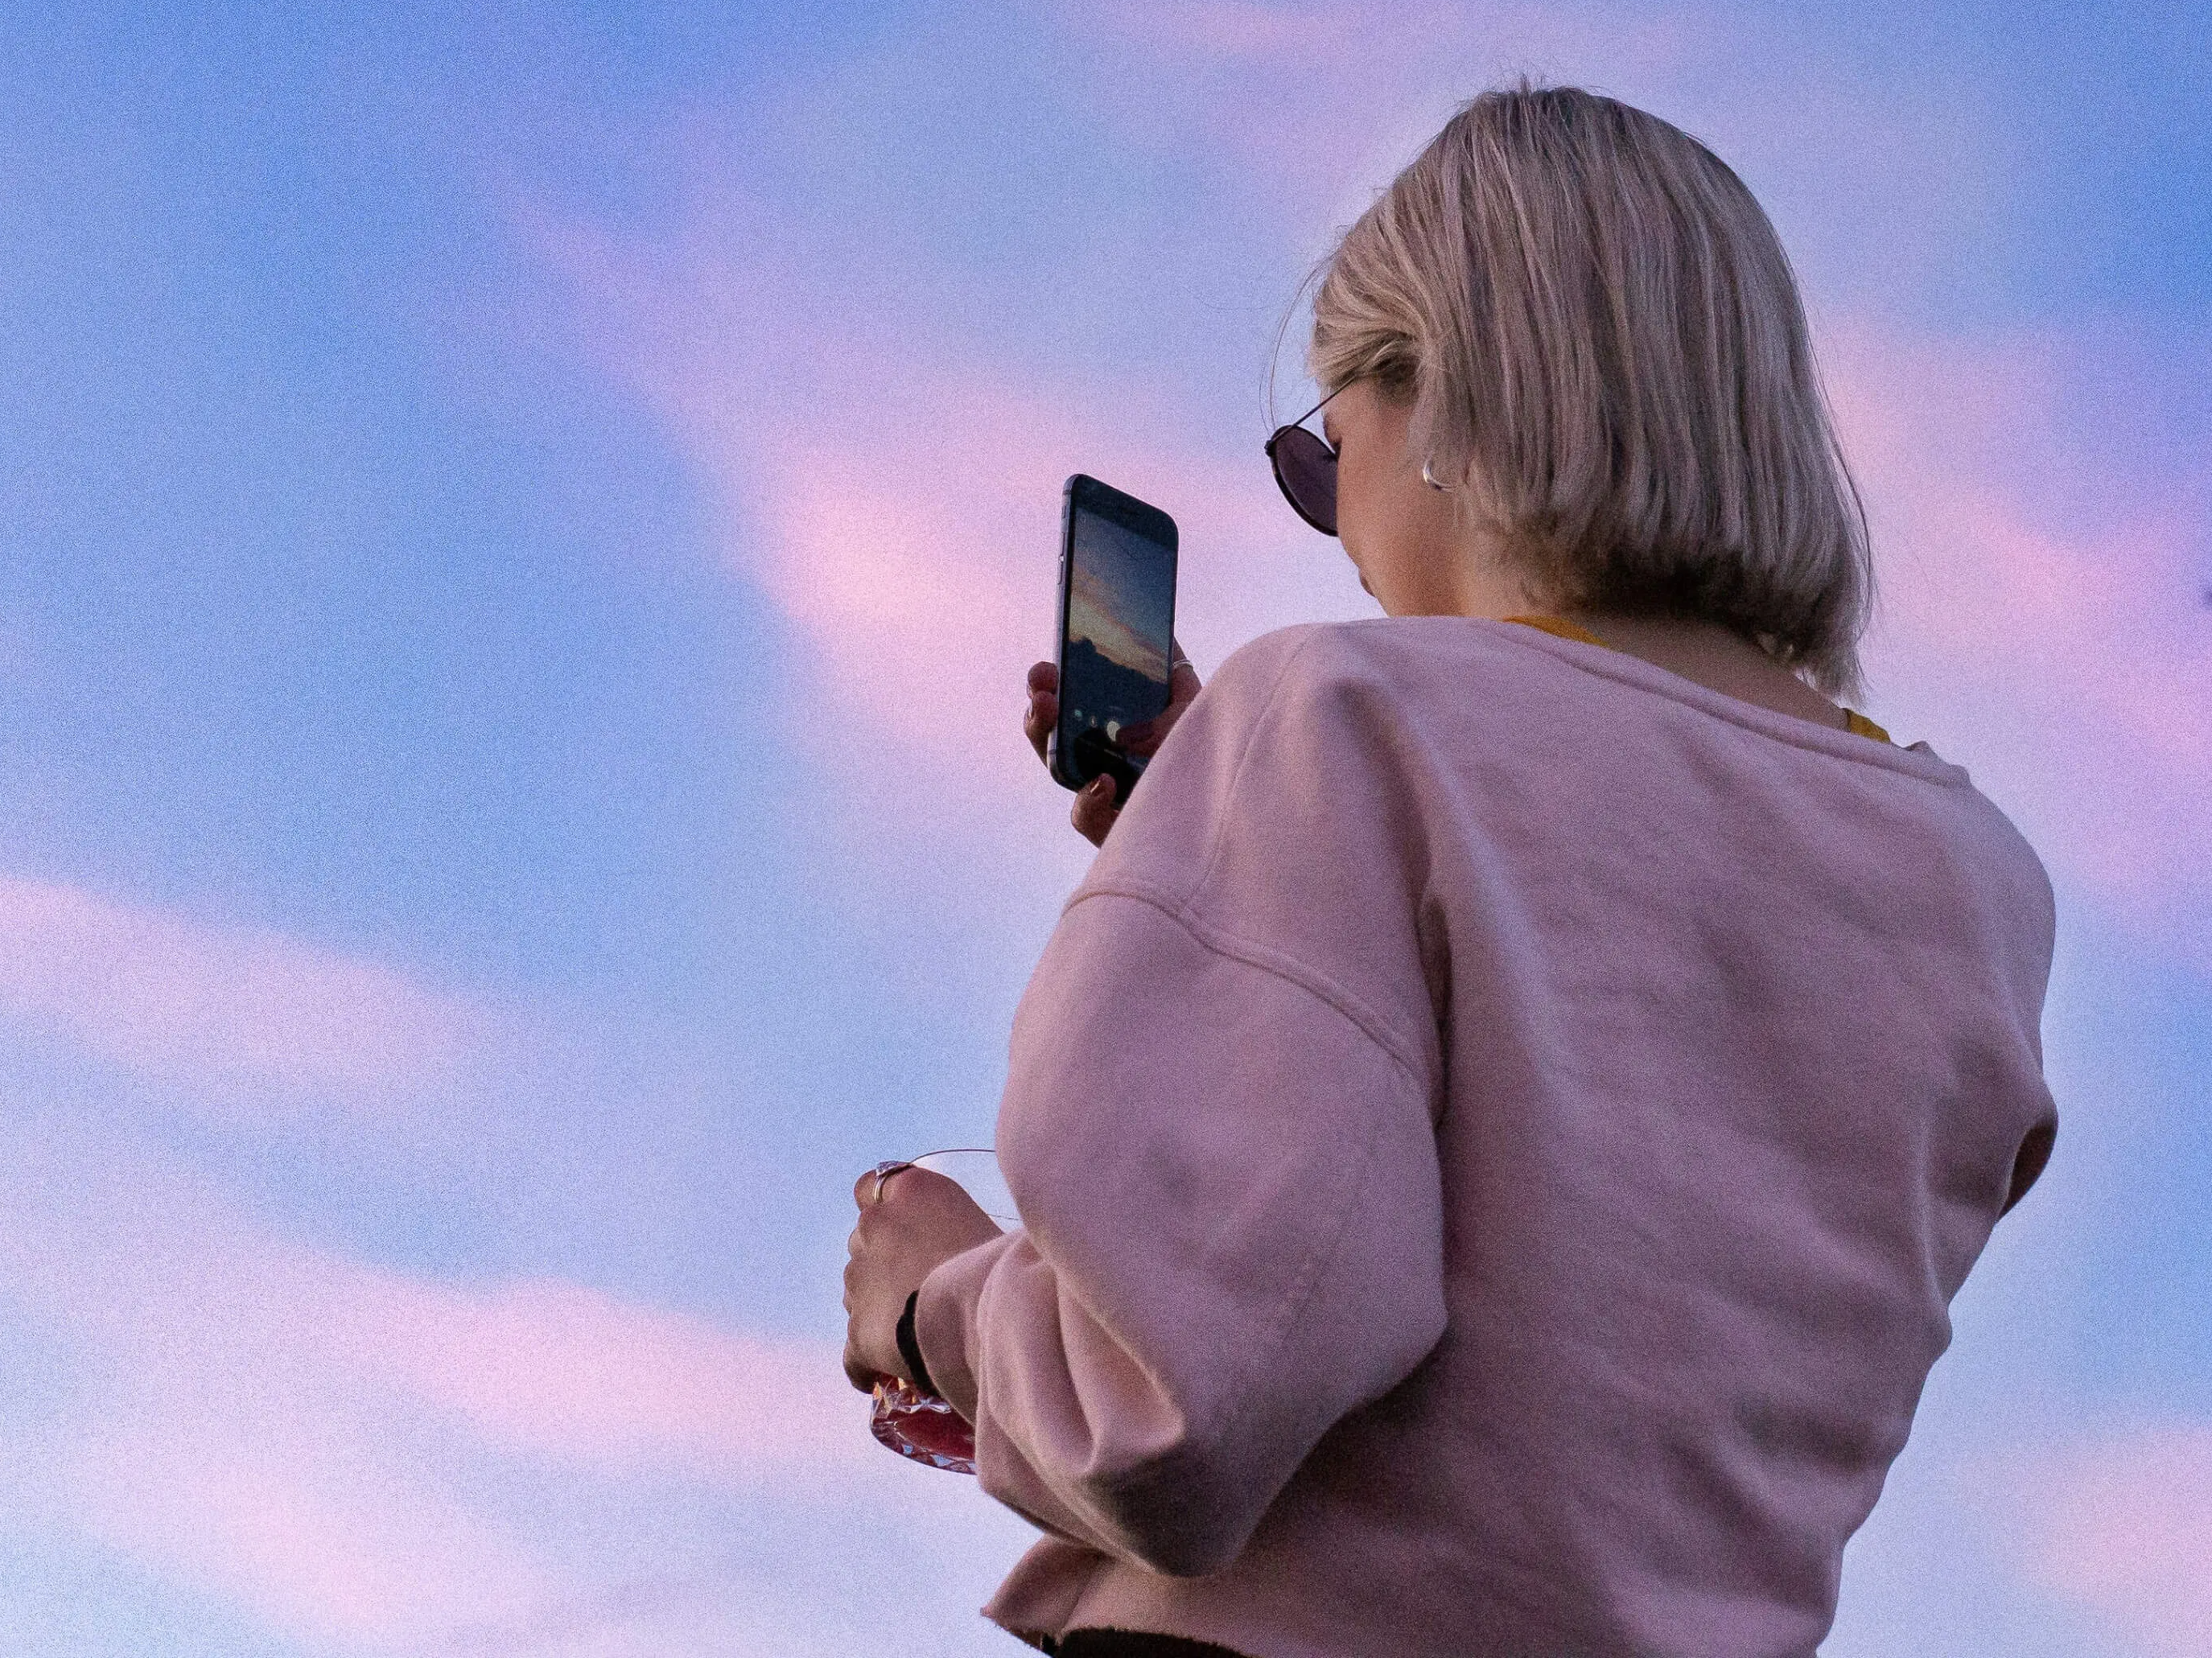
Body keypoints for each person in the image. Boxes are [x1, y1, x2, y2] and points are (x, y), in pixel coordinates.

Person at [846, 84, 2059, 1657]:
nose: (1334, 531)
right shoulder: (1970, 878)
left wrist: (932, 1305)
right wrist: (1249, 829)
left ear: (1441, 406)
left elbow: (1175, 1406)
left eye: (1319, 455)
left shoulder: (1342, 725)